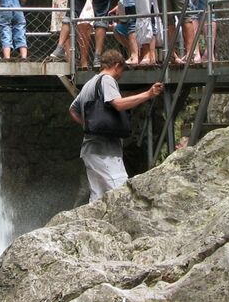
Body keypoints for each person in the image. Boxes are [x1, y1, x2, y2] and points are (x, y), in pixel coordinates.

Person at [68, 49, 163, 202]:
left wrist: (89, 125)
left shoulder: (89, 84)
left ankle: (94, 225)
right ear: (117, 65)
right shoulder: (107, 80)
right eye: (122, 70)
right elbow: (118, 104)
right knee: (121, 193)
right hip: (105, 151)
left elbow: (72, 110)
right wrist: (148, 94)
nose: (121, 75)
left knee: (98, 197)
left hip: (90, 150)